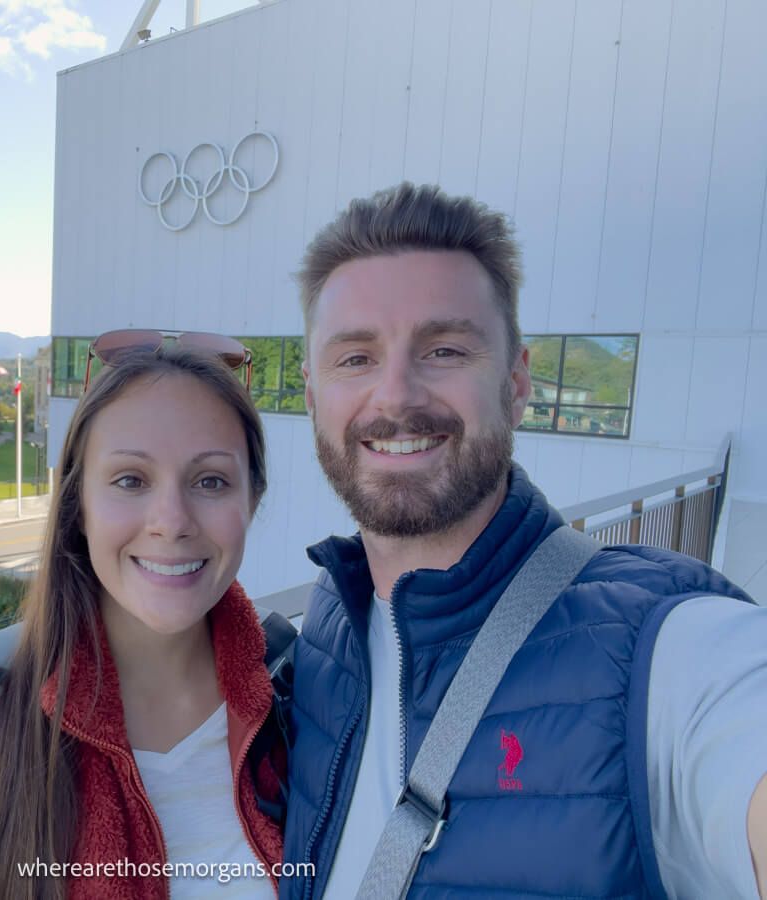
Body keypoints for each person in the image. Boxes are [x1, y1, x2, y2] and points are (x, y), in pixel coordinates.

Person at [281, 182, 767, 899]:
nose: (394, 397)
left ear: (516, 383)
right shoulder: (323, 634)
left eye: (443, 349)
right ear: (314, 395)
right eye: (354, 358)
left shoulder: (666, 653)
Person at [0, 343, 286, 899]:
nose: (171, 522)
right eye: (130, 480)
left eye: (211, 481)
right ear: (79, 504)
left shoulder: (297, 694)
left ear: (252, 499)